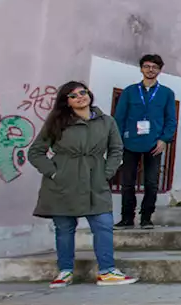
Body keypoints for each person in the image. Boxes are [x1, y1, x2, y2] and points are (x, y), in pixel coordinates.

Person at [30, 81, 137, 287]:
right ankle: (65, 271)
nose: (80, 97)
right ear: (66, 102)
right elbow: (35, 152)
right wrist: (54, 173)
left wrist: (106, 172)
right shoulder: (57, 122)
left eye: (83, 92)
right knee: (64, 228)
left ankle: (106, 271)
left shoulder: (107, 122)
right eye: (73, 95)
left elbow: (116, 149)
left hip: (95, 179)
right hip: (63, 182)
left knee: (104, 224)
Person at [112, 54, 176, 229]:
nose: (150, 70)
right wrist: (118, 140)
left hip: (154, 143)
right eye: (147, 66)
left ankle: (146, 217)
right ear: (141, 68)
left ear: (160, 70)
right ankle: (127, 217)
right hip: (130, 142)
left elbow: (171, 119)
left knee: (151, 182)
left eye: (154, 67)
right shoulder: (129, 91)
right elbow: (119, 118)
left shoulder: (166, 93)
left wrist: (164, 139)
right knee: (127, 182)